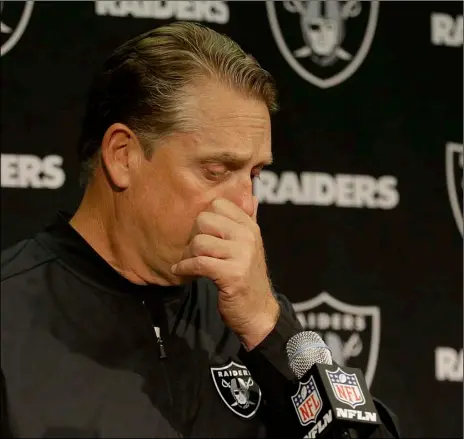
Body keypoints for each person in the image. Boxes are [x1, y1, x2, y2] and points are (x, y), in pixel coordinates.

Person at [1, 22, 400, 438]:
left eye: (255, 174)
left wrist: (268, 326)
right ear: (123, 156)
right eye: (215, 170)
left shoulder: (247, 320)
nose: (245, 204)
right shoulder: (10, 314)